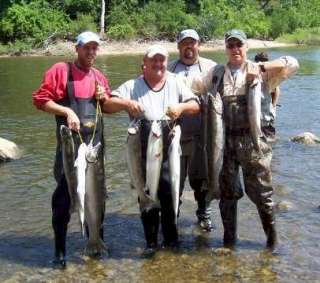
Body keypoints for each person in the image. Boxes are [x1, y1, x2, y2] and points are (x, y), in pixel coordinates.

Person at [190, 29, 299, 250]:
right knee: (227, 195)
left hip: (253, 142)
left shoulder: (262, 72)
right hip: (224, 144)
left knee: (262, 194)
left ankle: (272, 243)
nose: (235, 49)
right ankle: (229, 243)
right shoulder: (216, 73)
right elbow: (192, 86)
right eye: (230, 45)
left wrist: (262, 67)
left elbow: (294, 63)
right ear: (226, 48)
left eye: (239, 45)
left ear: (246, 47)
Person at [104, 44, 200, 253]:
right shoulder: (132, 85)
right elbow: (107, 105)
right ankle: (151, 243)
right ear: (144, 65)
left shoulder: (176, 82)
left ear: (166, 63)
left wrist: (181, 107)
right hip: (141, 148)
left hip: (168, 148)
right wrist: (126, 104)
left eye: (162, 60)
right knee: (145, 193)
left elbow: (195, 105)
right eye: (153, 60)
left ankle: (172, 242)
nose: (158, 64)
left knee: (170, 194)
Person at [32, 31, 112, 267]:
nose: (91, 52)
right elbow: (40, 100)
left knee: (97, 199)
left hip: (95, 151)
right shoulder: (60, 71)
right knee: (63, 202)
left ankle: (96, 246)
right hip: (69, 151)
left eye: (94, 48)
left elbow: (106, 105)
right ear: (76, 48)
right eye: (86, 47)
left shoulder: (99, 77)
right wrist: (67, 111)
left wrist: (105, 96)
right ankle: (60, 252)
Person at [167, 29, 217, 232]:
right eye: (184, 43)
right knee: (173, 180)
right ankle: (172, 215)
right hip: (174, 137)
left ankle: (203, 213)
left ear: (199, 44)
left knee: (201, 180)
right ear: (178, 46)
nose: (189, 46)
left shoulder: (212, 68)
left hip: (202, 136)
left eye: (192, 43)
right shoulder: (168, 69)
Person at [254, 52, 280, 142]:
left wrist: (274, 105)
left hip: (266, 114)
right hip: (260, 113)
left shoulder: (269, 74)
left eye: (264, 62)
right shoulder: (254, 72)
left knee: (269, 139)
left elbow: (276, 90)